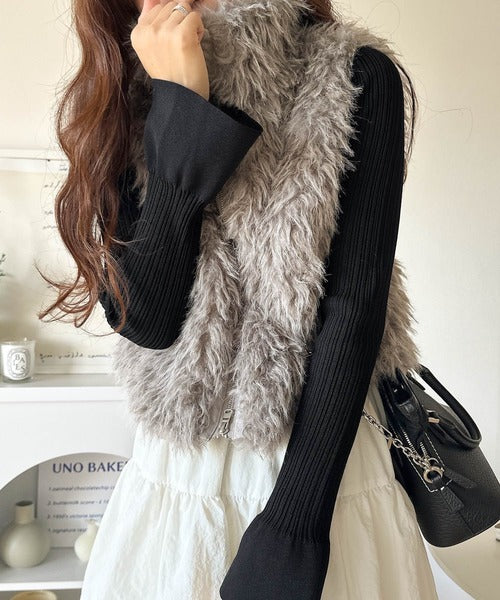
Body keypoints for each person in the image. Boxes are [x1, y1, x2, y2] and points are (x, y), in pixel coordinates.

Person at [39, 0, 439, 598]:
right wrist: (181, 103)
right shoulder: (127, 85)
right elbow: (147, 321)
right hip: (176, 475)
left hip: (317, 470)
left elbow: (352, 314)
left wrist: (294, 526)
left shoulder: (354, 73)